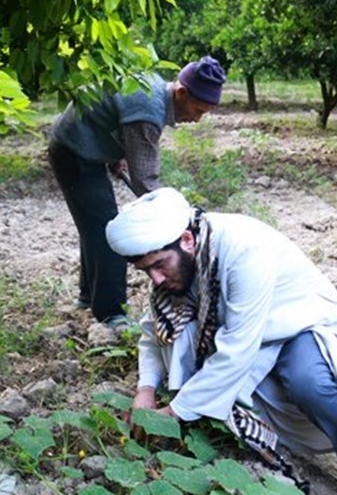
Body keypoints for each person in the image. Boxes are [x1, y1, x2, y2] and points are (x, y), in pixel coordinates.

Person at [104, 187, 337, 495]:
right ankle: (238, 420)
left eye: (159, 266)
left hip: (294, 324)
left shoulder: (244, 251)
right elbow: (152, 331)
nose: (156, 278)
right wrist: (145, 391)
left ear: (187, 240)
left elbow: (237, 349)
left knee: (309, 382)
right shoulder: (178, 260)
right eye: (146, 270)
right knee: (185, 343)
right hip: (246, 336)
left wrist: (173, 413)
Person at [48, 57, 227, 327]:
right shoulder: (148, 111)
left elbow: (112, 118)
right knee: (106, 230)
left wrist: (116, 154)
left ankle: (88, 297)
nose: (197, 119)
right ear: (181, 93)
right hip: (74, 150)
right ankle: (111, 314)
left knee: (94, 224)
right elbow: (147, 183)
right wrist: (181, 221)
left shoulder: (152, 90)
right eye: (198, 109)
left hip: (80, 144)